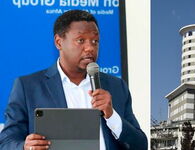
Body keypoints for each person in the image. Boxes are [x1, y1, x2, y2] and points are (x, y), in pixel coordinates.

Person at [0, 10, 147, 150]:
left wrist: (112, 116)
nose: (90, 48)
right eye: (81, 40)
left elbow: (140, 145)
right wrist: (25, 147)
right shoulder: (28, 87)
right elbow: (6, 142)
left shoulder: (116, 86)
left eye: (95, 41)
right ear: (58, 42)